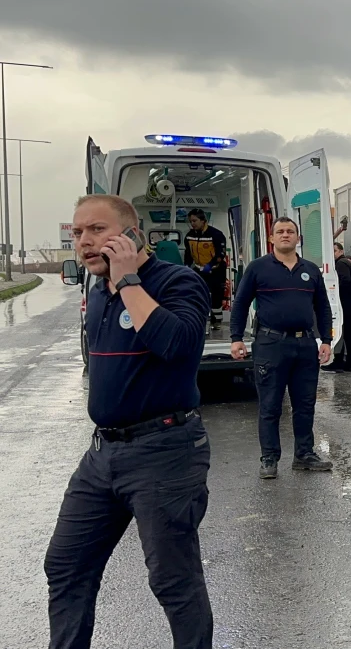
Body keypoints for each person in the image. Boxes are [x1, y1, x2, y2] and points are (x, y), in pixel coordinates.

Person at [46, 195, 214, 647]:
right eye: (78, 232)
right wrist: (115, 284)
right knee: (66, 565)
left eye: (97, 229)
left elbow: (176, 345)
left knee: (173, 580)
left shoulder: (177, 281)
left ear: (132, 234)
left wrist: (128, 282)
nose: (84, 241)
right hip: (103, 455)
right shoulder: (98, 291)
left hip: (165, 451)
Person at [230, 216, 335, 479]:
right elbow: (240, 304)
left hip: (305, 344)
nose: (285, 235)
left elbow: (322, 307)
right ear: (272, 238)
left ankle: (304, 454)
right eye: (280, 231)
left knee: (305, 404)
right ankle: (269, 458)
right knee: (270, 406)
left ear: (298, 238)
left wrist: (326, 340)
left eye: (290, 231)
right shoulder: (258, 268)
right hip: (270, 344)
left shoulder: (310, 270)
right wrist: (236, 337)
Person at [183, 208, 228, 330]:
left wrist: (210, 265)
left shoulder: (216, 235)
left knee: (217, 296)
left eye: (195, 221)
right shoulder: (189, 236)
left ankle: (216, 321)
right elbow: (188, 253)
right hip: (199, 269)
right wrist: (186, 266)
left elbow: (220, 254)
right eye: (191, 221)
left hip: (216, 269)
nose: (192, 224)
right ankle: (200, 319)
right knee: (198, 293)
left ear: (203, 220)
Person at [330, 242, 351, 372]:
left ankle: (345, 361)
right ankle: (343, 361)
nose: (333, 254)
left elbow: (345, 281)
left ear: (341, 251)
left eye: (334, 251)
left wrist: (333, 291)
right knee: (345, 333)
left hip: (344, 304)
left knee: (345, 333)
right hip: (347, 303)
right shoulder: (345, 263)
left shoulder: (341, 263)